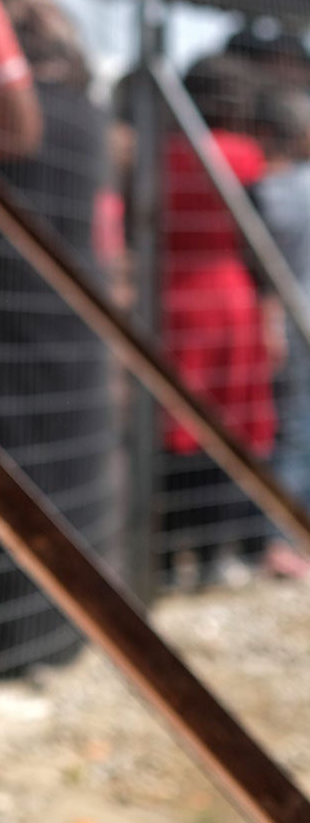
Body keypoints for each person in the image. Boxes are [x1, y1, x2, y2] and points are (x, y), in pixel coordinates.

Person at [0, 0, 111, 671]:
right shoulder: (83, 113)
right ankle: (47, 637)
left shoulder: (6, 115)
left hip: (7, 322)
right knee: (59, 480)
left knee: (2, 477)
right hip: (68, 319)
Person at [158, 53, 274, 588]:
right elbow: (260, 245)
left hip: (171, 302)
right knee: (228, 428)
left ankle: (165, 557)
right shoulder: (245, 157)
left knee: (173, 426)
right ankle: (212, 556)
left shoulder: (161, 155)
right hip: (228, 302)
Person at [252, 86, 310, 579]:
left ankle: (281, 541)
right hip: (295, 322)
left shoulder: (275, 190)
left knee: (292, 432)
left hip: (289, 322)